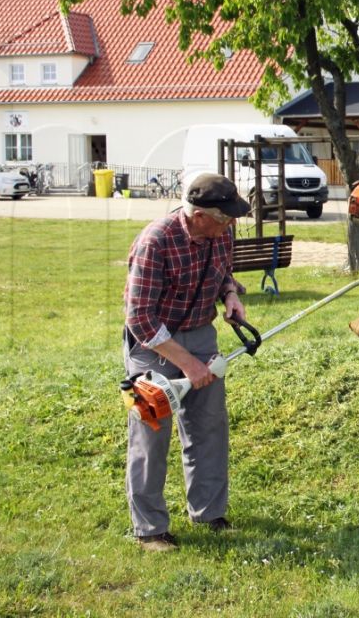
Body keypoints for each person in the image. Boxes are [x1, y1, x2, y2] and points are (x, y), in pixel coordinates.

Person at [122, 173, 250, 551]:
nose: (231, 224)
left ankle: (209, 512)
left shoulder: (220, 232)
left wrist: (230, 295)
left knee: (209, 427)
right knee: (151, 434)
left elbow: (224, 271)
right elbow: (140, 318)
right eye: (224, 217)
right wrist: (188, 364)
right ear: (198, 216)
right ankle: (150, 529)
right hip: (153, 343)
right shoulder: (155, 241)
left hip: (200, 333)